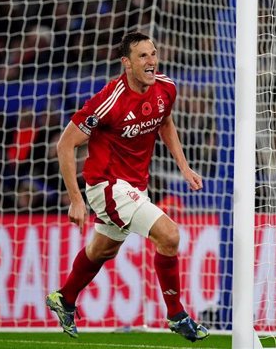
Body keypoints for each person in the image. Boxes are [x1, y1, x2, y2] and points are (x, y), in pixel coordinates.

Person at [46, 31, 209, 342]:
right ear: (127, 63)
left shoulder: (165, 89)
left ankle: (64, 299)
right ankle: (176, 314)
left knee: (103, 249)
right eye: (143, 56)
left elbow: (165, 121)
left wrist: (184, 167)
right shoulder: (109, 100)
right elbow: (66, 144)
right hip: (106, 185)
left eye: (153, 54)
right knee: (170, 235)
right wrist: (76, 200)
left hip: (134, 185)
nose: (151, 61)